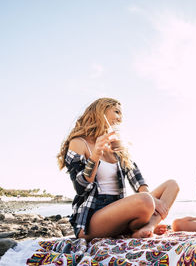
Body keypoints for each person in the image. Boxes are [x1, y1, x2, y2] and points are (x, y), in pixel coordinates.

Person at [57, 98, 179, 240]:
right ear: (100, 111)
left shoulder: (116, 146)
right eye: (116, 112)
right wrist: (96, 154)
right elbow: (80, 187)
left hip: (119, 210)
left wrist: (153, 200)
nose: (120, 119)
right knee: (146, 201)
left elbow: (137, 179)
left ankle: (149, 226)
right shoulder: (79, 143)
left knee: (172, 185)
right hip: (92, 219)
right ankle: (139, 226)